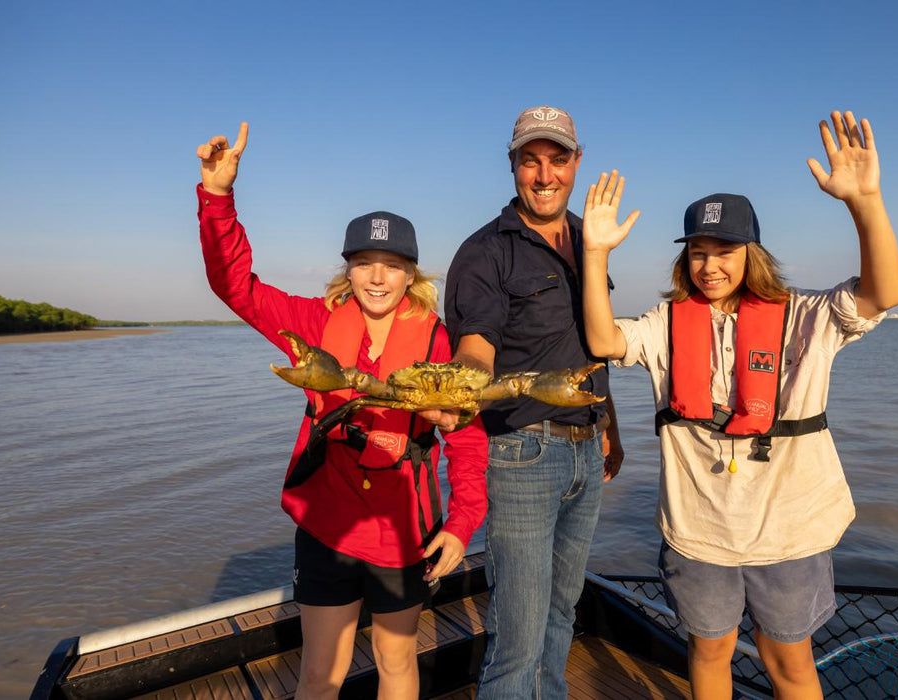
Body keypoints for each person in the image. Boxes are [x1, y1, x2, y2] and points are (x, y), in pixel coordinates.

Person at [581, 111, 898, 699]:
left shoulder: (805, 317)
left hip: (790, 532)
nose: (710, 265)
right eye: (698, 252)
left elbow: (885, 293)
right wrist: (595, 254)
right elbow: (605, 343)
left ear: (752, 252)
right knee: (709, 653)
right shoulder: (666, 324)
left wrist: (865, 201)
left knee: (790, 665)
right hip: (698, 532)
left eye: (725, 249)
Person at [195, 122, 488, 699]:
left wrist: (461, 524)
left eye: (393, 265)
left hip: (405, 530)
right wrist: (217, 196)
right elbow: (235, 286)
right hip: (327, 523)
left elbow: (468, 441)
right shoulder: (314, 322)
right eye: (364, 263)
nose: (378, 277)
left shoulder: (439, 343)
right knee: (319, 674)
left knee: (397, 662)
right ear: (347, 268)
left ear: (412, 274)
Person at [438, 106, 624, 699]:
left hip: (586, 449)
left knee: (562, 615)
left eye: (558, 159)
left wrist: (610, 427)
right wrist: (462, 383)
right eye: (531, 161)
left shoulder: (587, 239)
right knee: (517, 639)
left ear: (576, 163)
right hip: (522, 454)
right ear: (513, 166)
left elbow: (594, 342)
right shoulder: (485, 252)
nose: (545, 176)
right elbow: (476, 347)